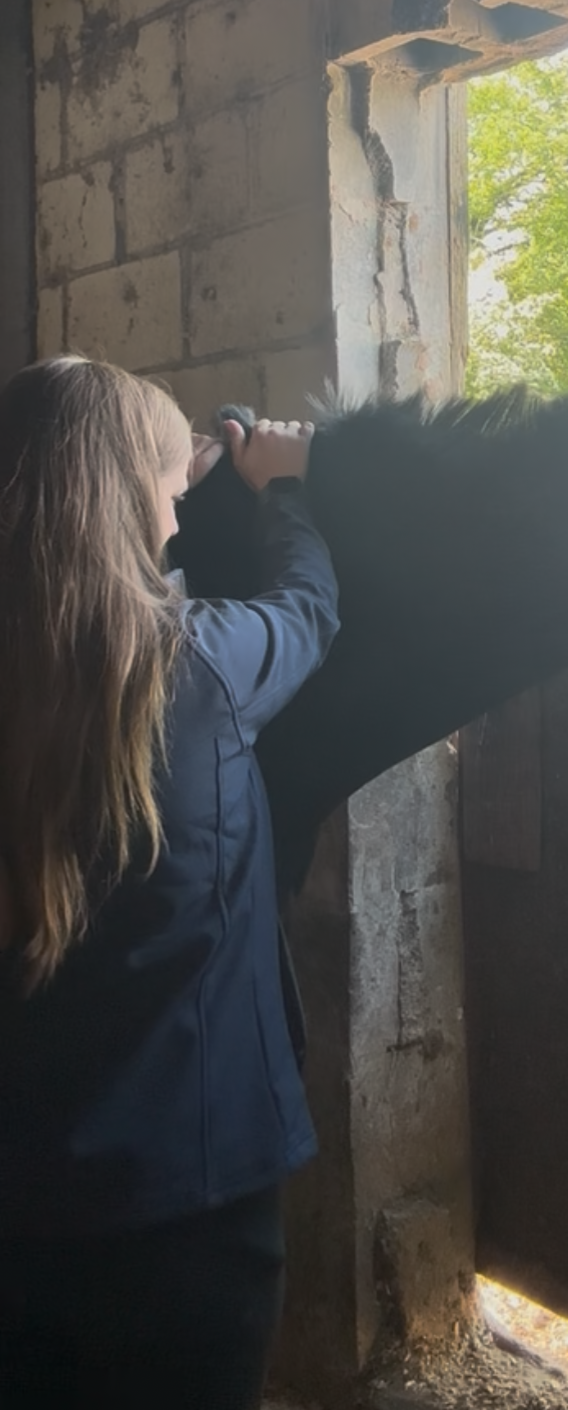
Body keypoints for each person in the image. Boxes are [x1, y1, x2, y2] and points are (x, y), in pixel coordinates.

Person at [0, 355, 340, 1409]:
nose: (180, 522)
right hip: (187, 1213)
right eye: (166, 492)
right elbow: (311, 609)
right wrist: (281, 486)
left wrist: (170, 455)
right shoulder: (203, 666)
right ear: (125, 497)